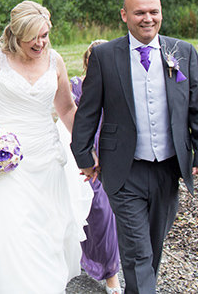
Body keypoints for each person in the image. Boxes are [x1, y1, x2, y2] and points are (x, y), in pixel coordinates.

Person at [72, 0, 198, 294]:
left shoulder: (184, 52)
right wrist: (84, 157)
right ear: (125, 15)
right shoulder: (104, 55)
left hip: (168, 168)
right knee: (138, 251)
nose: (148, 19)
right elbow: (87, 112)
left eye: (154, 12)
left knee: (152, 247)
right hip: (124, 170)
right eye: (140, 12)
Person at [0, 0, 92, 294]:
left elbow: (67, 109)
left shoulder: (55, 60)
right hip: (7, 161)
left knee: (45, 233)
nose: (40, 43)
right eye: (33, 37)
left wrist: (86, 151)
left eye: (45, 35)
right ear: (16, 34)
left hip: (46, 158)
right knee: (9, 230)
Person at [70, 40, 122, 294]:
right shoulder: (77, 86)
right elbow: (73, 121)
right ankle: (85, 257)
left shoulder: (120, 84)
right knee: (89, 211)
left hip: (114, 151)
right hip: (88, 152)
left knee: (106, 212)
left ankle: (111, 273)